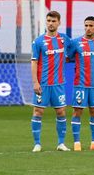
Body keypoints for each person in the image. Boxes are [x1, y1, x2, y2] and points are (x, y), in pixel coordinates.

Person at [30, 11, 71, 152]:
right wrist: (35, 82)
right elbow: (34, 63)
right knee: (38, 112)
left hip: (58, 84)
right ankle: (37, 143)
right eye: (48, 20)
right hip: (43, 84)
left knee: (61, 112)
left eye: (53, 21)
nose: (51, 23)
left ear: (59, 23)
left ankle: (61, 143)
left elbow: (78, 45)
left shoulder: (65, 40)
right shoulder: (38, 42)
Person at [67, 16, 94, 151]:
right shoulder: (76, 42)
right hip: (80, 84)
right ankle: (77, 143)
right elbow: (67, 56)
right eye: (86, 25)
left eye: (90, 25)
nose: (88, 28)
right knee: (77, 112)